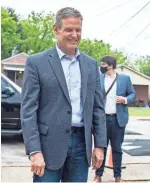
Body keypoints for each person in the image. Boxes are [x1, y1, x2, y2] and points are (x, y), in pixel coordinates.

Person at [21, 7, 107, 182]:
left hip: (81, 145)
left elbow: (98, 108)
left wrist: (100, 145)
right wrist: (34, 151)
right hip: (48, 147)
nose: (74, 35)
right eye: (69, 29)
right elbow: (28, 111)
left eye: (78, 30)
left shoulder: (91, 65)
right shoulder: (37, 62)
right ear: (56, 29)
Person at [94, 56, 136, 183]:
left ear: (110, 65)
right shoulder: (98, 78)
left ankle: (117, 176)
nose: (101, 66)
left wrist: (125, 100)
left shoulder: (124, 78)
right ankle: (98, 175)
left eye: (103, 64)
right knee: (101, 147)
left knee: (117, 149)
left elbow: (133, 95)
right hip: (102, 120)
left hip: (118, 120)